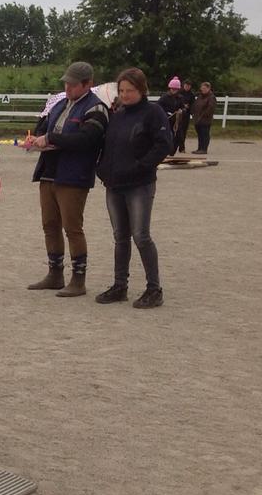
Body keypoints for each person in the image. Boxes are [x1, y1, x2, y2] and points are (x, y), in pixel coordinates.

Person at [24, 61, 109, 297]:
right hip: (49, 172)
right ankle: (55, 273)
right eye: (66, 83)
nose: (68, 87)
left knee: (72, 227)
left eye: (73, 84)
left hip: (74, 175)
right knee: (49, 225)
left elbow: (86, 140)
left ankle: (78, 279)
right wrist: (37, 139)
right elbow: (46, 129)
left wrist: (51, 138)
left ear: (88, 84)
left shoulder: (97, 109)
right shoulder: (60, 105)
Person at [93, 68, 172, 309]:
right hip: (114, 183)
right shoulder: (117, 114)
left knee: (141, 235)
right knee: (120, 237)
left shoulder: (153, 113)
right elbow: (109, 144)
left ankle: (154, 288)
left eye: (130, 90)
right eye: (122, 90)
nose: (125, 95)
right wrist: (102, 167)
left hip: (139, 184)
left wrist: (141, 166)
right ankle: (120, 285)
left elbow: (163, 144)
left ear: (142, 90)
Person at [158, 77, 187, 152]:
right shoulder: (164, 97)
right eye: (173, 89)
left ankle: (173, 150)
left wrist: (182, 111)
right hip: (167, 119)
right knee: (167, 135)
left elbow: (183, 108)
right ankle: (167, 150)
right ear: (170, 88)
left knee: (179, 136)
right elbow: (159, 107)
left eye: (176, 89)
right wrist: (166, 113)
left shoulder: (180, 98)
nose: (174, 90)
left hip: (177, 120)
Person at [190, 81, 216, 154]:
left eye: (204, 88)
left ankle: (204, 149)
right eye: (202, 88)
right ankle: (199, 148)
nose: (203, 89)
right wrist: (193, 112)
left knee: (204, 134)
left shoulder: (211, 97)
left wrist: (203, 116)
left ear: (208, 88)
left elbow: (210, 108)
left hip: (205, 120)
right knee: (200, 135)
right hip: (197, 119)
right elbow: (195, 105)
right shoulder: (200, 96)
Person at [176, 79, 195, 152]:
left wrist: (190, 108)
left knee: (183, 131)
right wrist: (182, 105)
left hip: (186, 115)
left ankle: (182, 147)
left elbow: (193, 104)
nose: (187, 87)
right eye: (186, 85)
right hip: (178, 114)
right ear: (183, 85)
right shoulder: (179, 93)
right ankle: (173, 147)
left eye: (189, 86)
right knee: (177, 131)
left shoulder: (191, 94)